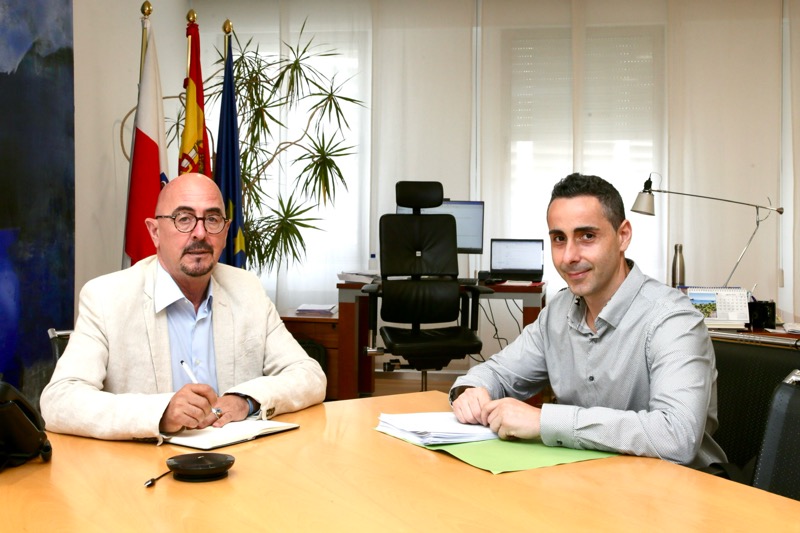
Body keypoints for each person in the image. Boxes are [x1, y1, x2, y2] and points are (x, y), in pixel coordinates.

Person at [450, 173, 726, 468]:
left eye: (587, 236)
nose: (569, 256)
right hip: (591, 480)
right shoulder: (558, 312)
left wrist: (546, 421)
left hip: (678, 491)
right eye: (559, 239)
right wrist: (471, 392)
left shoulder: (673, 319)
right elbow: (498, 373)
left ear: (623, 236)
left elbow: (677, 437)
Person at [41, 173, 326, 440]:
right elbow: (60, 400)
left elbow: (309, 376)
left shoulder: (246, 289)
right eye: (183, 219)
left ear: (225, 232)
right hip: (143, 475)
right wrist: (161, 412)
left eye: (212, 219)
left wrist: (246, 399)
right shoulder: (106, 297)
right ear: (154, 232)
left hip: (237, 469)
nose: (200, 233)